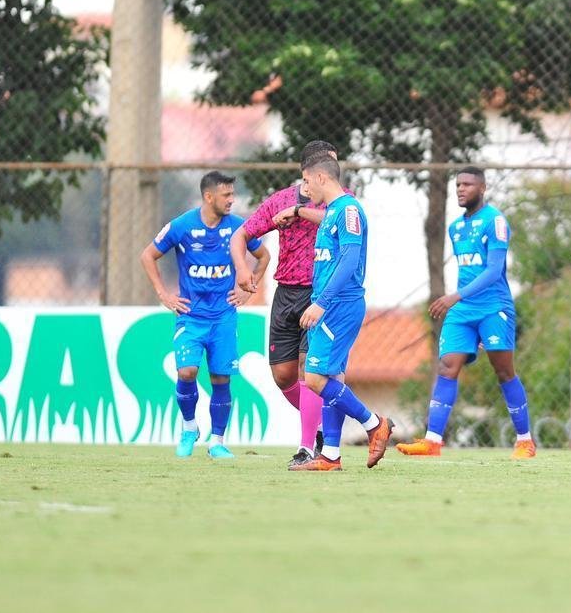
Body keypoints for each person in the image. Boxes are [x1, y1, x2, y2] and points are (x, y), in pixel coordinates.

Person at [396, 167, 535, 459]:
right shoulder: (456, 227)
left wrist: (454, 296)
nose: (461, 189)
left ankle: (525, 441)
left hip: (493, 307)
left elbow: (494, 270)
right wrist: (458, 300)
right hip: (462, 311)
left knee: (504, 371)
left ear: (482, 188)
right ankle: (432, 441)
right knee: (447, 366)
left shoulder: (494, 221)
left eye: (467, 184)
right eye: (458, 184)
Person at [140, 171, 269, 459]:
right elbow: (147, 255)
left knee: (221, 378)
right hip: (191, 316)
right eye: (226, 195)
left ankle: (217, 442)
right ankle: (189, 428)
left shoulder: (238, 228)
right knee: (186, 371)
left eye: (233, 195)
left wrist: (249, 290)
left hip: (223, 316)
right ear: (209, 196)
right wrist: (164, 294)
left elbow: (264, 256)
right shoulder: (182, 225)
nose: (231, 200)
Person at [230, 140, 337, 470]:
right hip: (285, 293)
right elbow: (240, 236)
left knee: (310, 370)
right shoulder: (280, 200)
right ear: (306, 173)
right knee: (283, 375)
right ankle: (320, 428)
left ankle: (307, 447)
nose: (331, 176)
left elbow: (339, 221)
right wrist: (243, 269)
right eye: (324, 167)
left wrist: (300, 213)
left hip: (319, 294)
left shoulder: (341, 203)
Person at [292, 152, 394, 471]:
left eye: (307, 180)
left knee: (314, 378)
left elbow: (349, 260)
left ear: (322, 178)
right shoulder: (333, 212)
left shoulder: (348, 210)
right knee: (331, 377)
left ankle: (374, 423)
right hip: (331, 303)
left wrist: (320, 303)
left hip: (339, 304)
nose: (305, 187)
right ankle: (331, 456)